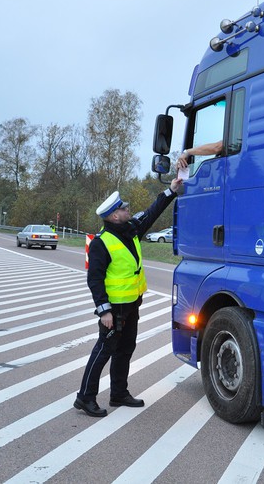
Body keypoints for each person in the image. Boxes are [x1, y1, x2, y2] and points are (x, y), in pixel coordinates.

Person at [74, 178, 182, 417]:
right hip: (114, 310)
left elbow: (151, 213)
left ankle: (118, 393)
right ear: (114, 216)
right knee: (103, 351)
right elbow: (95, 280)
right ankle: (85, 397)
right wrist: (104, 311)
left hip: (132, 305)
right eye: (123, 208)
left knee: (125, 349)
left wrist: (171, 191)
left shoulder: (131, 229)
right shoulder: (102, 243)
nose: (128, 209)